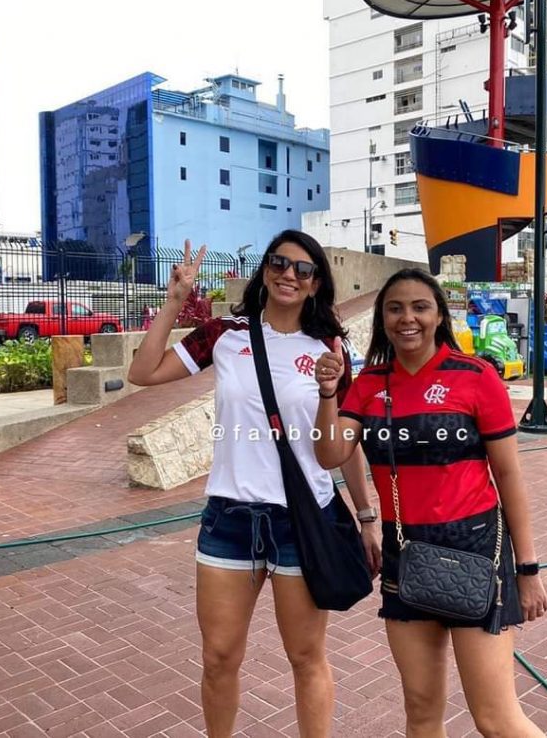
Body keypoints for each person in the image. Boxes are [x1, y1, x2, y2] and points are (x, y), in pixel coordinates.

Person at [127, 231, 382, 738]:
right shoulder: (226, 333)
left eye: (303, 270)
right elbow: (143, 371)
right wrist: (175, 300)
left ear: (315, 285)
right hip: (230, 518)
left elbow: (343, 442)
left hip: (303, 519)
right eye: (280, 263)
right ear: (265, 270)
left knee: (306, 656)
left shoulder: (330, 348)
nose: (289, 274)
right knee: (219, 657)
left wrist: (367, 516)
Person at [311, 268, 547, 738]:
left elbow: (509, 477)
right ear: (382, 319)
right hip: (406, 555)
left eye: (420, 307)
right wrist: (325, 396)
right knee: (420, 711)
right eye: (395, 308)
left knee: (496, 720)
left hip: (476, 551)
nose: (408, 318)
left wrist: (529, 570)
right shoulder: (370, 383)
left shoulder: (476, 377)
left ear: (439, 314)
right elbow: (329, 453)